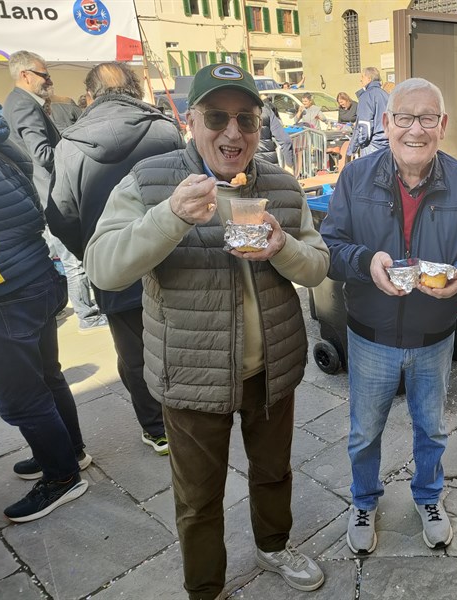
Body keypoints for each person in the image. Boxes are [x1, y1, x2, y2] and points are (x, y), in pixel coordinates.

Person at [84, 63, 329, 599]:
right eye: (217, 117)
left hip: (271, 369)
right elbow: (102, 267)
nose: (233, 132)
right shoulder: (150, 182)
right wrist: (169, 217)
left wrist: (282, 247)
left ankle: (273, 546)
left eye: (247, 119)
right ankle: (205, 587)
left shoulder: (283, 187)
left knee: (273, 473)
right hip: (192, 373)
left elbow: (317, 267)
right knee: (197, 497)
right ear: (191, 120)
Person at [321, 78, 457, 555]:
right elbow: (330, 249)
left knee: (432, 427)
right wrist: (364, 261)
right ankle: (363, 500)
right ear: (386, 122)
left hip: (434, 335)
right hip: (369, 334)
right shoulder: (355, 178)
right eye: (404, 117)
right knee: (364, 430)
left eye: (427, 118)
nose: (414, 129)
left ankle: (429, 496)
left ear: (443, 125)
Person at [46, 62, 185, 455]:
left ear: (90, 97)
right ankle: (186, 414)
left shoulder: (69, 144)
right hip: (170, 260)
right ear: (136, 89)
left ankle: (158, 428)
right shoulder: (164, 129)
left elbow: (60, 216)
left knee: (134, 354)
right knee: (177, 342)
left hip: (116, 274)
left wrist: (94, 255)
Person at [0, 109, 92, 523]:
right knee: (48, 376)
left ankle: (62, 476)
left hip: (2, 290)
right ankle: (71, 453)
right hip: (34, 273)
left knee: (21, 396)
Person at [3, 50, 107, 334]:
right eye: (43, 74)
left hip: (43, 191)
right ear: (25, 75)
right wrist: (73, 151)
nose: (49, 79)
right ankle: (87, 314)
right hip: (49, 193)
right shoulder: (24, 104)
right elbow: (42, 154)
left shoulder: (21, 102)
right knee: (73, 260)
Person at [347, 67, 389, 158]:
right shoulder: (386, 95)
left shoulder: (366, 96)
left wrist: (353, 148)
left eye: (362, 77)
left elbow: (364, 125)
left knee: (369, 171)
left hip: (372, 146)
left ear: (369, 78)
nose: (360, 80)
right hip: (387, 144)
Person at [258, 96, 294, 171]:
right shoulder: (266, 110)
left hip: (247, 167)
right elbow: (286, 141)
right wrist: (289, 166)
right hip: (270, 166)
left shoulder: (230, 110)